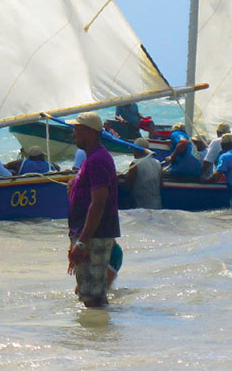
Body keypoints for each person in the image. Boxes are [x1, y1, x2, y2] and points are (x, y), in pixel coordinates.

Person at [66, 112, 120, 308]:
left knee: (92, 296)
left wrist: (82, 242)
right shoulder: (91, 158)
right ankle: (95, 335)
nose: (74, 134)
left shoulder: (98, 159)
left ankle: (98, 335)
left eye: (77, 130)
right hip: (87, 234)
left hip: (94, 236)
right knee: (88, 292)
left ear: (88, 132)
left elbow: (98, 203)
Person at [122, 138, 162, 209]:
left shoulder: (135, 164)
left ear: (137, 150)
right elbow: (161, 184)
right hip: (157, 204)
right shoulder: (157, 162)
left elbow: (128, 184)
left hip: (141, 206)